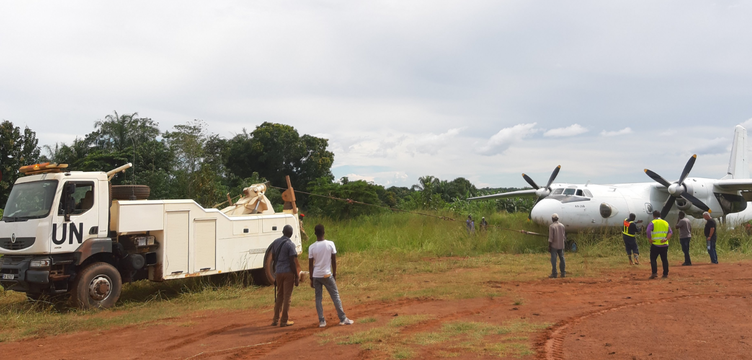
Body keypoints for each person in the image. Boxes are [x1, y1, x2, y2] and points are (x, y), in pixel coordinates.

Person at [308, 224, 354, 328]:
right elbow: (333, 261)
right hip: (327, 274)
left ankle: (322, 321)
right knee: (335, 296)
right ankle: (342, 318)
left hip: (316, 275)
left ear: (315, 233)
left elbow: (310, 264)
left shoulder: (311, 247)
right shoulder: (330, 244)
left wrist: (311, 278)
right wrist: (335, 274)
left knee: (318, 298)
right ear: (324, 232)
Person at [270, 225, 300, 327]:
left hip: (278, 272)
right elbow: (292, 262)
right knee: (287, 297)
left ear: (283, 232)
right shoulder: (290, 245)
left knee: (279, 296)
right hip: (288, 273)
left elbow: (273, 259)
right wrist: (296, 276)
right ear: (291, 234)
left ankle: (275, 319)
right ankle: (284, 320)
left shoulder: (275, 242)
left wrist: (274, 274)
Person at [646, 210, 673, 279]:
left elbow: (648, 231)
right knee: (664, 259)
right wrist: (666, 239)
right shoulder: (665, 223)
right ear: (660, 215)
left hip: (655, 244)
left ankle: (654, 273)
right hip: (664, 244)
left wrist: (649, 238)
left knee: (653, 259)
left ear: (653, 216)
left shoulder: (653, 222)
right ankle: (665, 274)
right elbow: (670, 232)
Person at [548, 213, 566, 278]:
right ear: (558, 219)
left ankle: (554, 273)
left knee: (553, 259)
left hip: (554, 245)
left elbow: (551, 238)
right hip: (561, 245)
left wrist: (549, 246)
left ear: (552, 219)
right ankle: (563, 272)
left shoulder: (551, 226)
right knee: (562, 258)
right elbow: (564, 236)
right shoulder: (562, 226)